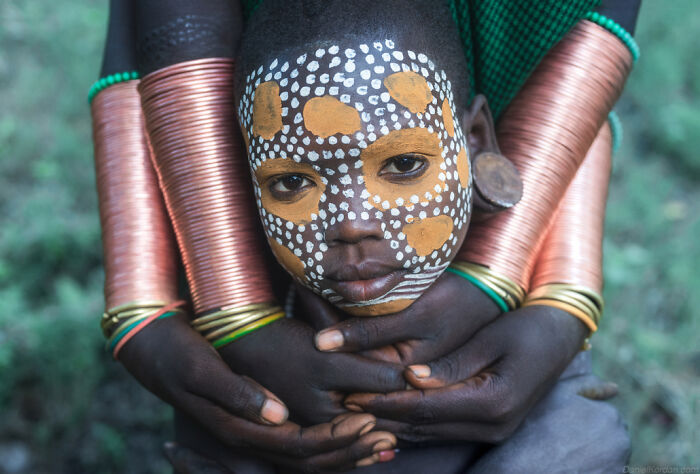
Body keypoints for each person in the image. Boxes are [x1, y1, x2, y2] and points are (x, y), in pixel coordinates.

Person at [90, 0, 640, 472]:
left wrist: (555, 295)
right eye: (291, 181)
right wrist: (217, 313)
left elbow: (580, 44)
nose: (352, 223)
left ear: (475, 138)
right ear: (237, 174)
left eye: (402, 164)